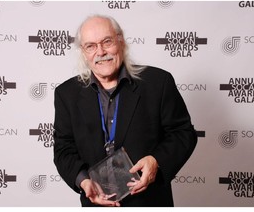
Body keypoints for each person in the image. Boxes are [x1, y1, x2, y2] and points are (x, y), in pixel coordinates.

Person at [53, 14, 197, 207]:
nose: (101, 52)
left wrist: (156, 161)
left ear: (120, 41)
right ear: (83, 51)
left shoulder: (158, 82)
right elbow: (63, 150)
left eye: (107, 41)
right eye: (91, 46)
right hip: (96, 203)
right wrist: (83, 180)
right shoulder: (66, 94)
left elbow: (183, 133)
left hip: (149, 202)